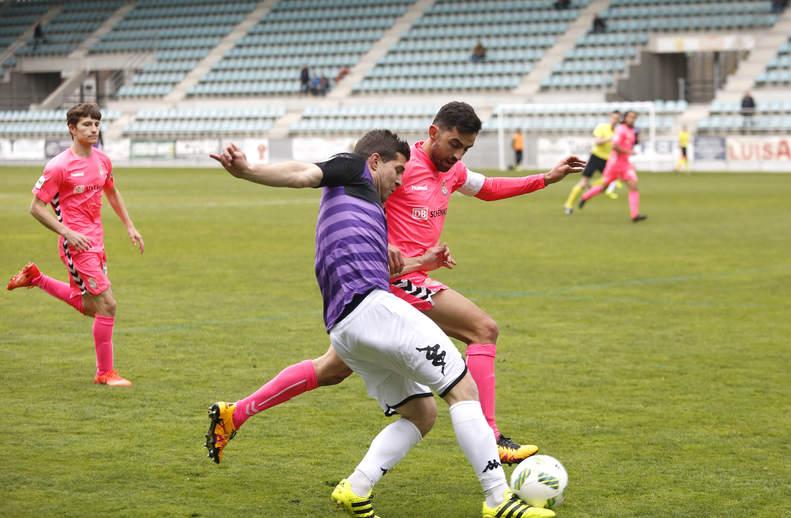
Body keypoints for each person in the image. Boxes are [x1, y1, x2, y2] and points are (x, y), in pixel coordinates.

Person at [205, 102, 586, 468]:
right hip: (391, 281)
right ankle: (491, 439)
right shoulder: (397, 165)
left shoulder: (451, 172)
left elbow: (488, 187)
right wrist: (380, 239)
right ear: (433, 132)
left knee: (333, 369)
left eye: (466, 149)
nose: (458, 155)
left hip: (404, 278)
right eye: (454, 144)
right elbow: (339, 188)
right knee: (483, 329)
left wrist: (546, 179)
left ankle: (235, 413)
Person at [6, 103, 144, 386]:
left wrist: (130, 226)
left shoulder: (103, 161)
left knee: (92, 307)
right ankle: (105, 373)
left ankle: (37, 278)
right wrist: (66, 232)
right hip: (77, 246)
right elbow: (36, 207)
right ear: (72, 129)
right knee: (108, 305)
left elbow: (112, 192)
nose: (93, 129)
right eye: (86, 125)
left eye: (96, 124)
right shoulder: (59, 166)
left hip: (97, 241)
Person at [578, 110, 647, 223]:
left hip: (625, 164)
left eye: (634, 117)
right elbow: (615, 146)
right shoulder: (620, 130)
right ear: (625, 118)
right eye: (630, 117)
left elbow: (632, 143)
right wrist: (628, 151)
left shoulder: (632, 130)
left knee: (633, 187)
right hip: (614, 164)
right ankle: (585, 197)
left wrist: (637, 138)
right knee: (604, 187)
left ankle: (635, 215)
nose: (632, 119)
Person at [563, 110, 621, 215]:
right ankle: (568, 204)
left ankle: (590, 189)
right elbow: (597, 142)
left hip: (608, 160)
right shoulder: (602, 127)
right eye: (614, 118)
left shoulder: (619, 131)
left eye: (617, 119)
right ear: (610, 117)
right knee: (583, 181)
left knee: (607, 184)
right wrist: (609, 138)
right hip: (596, 157)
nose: (615, 120)